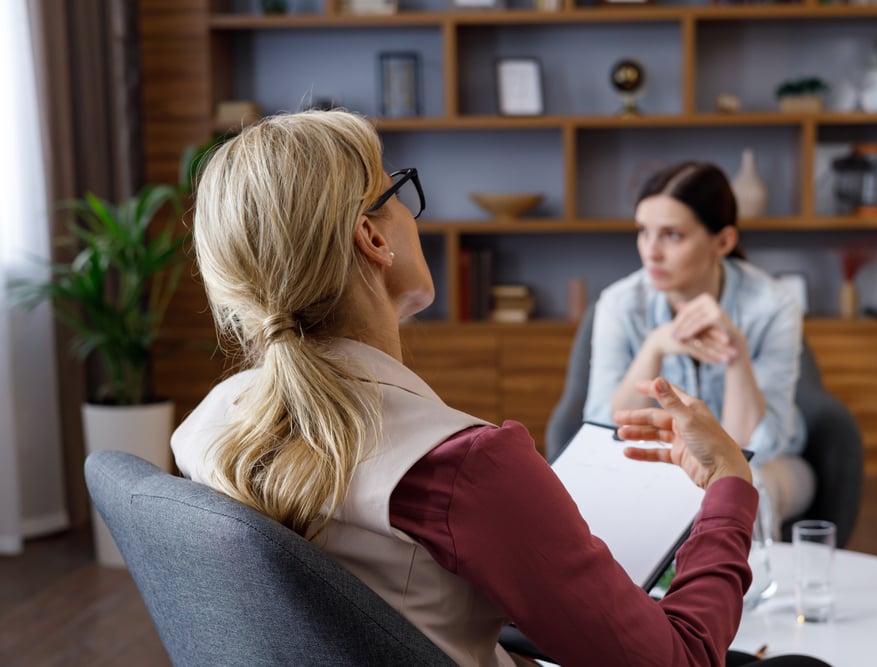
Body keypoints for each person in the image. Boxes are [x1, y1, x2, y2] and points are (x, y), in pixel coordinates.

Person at [171, 110, 807, 667]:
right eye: (398, 192)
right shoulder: (463, 468)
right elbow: (681, 660)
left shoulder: (206, 429)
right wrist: (728, 484)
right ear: (372, 239)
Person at [583, 161, 815, 524]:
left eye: (672, 235)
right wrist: (655, 347)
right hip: (656, 461)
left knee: (749, 491)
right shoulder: (620, 303)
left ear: (723, 241)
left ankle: (738, 584)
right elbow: (603, 431)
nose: (651, 252)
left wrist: (735, 353)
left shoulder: (773, 305)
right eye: (644, 232)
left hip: (767, 465)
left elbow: (753, 446)